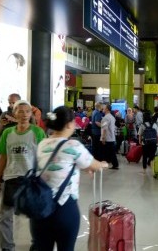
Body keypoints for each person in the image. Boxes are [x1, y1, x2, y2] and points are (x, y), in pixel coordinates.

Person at [31, 106, 108, 251]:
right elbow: (94, 165)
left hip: (40, 208)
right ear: (68, 124)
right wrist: (103, 164)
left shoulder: (42, 144)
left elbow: (61, 162)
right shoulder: (73, 145)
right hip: (64, 208)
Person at [0, 100, 46, 251]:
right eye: (20, 111)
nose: (24, 114)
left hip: (31, 180)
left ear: (31, 114)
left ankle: (38, 244)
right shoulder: (8, 132)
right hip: (11, 179)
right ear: (14, 113)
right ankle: (7, 247)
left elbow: (44, 157)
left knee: (36, 216)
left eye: (27, 111)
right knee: (5, 218)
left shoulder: (37, 132)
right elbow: (3, 156)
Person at [101, 104, 119, 169]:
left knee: (105, 152)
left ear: (107, 109)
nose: (103, 109)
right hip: (112, 137)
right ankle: (115, 164)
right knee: (112, 152)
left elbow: (105, 128)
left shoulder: (105, 118)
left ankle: (105, 164)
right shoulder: (112, 117)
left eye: (104, 108)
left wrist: (103, 138)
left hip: (107, 138)